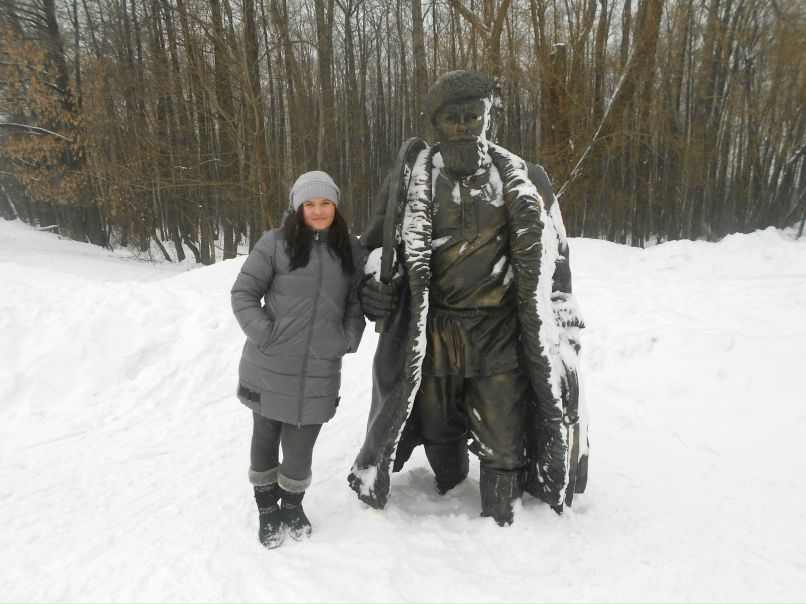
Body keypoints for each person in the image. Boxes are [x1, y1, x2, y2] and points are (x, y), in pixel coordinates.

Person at [347, 70, 588, 526]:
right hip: (433, 331)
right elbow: (375, 248)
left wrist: (564, 326)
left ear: (487, 118)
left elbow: (557, 260)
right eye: (452, 117)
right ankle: (445, 492)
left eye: (472, 115)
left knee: (503, 435)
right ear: (436, 123)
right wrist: (369, 286)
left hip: (499, 331)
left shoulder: (524, 179)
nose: (463, 125)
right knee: (440, 431)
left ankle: (502, 523)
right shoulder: (409, 184)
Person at [232, 170, 365, 548]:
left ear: (335, 206)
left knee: (301, 444)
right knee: (266, 434)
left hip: (321, 367)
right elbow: (243, 293)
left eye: (325, 203)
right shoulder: (274, 244)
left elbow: (355, 301)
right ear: (298, 208)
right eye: (310, 204)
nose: (318, 211)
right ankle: (266, 510)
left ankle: (291, 504)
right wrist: (266, 334)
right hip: (269, 364)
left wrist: (348, 338)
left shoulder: (349, 251)